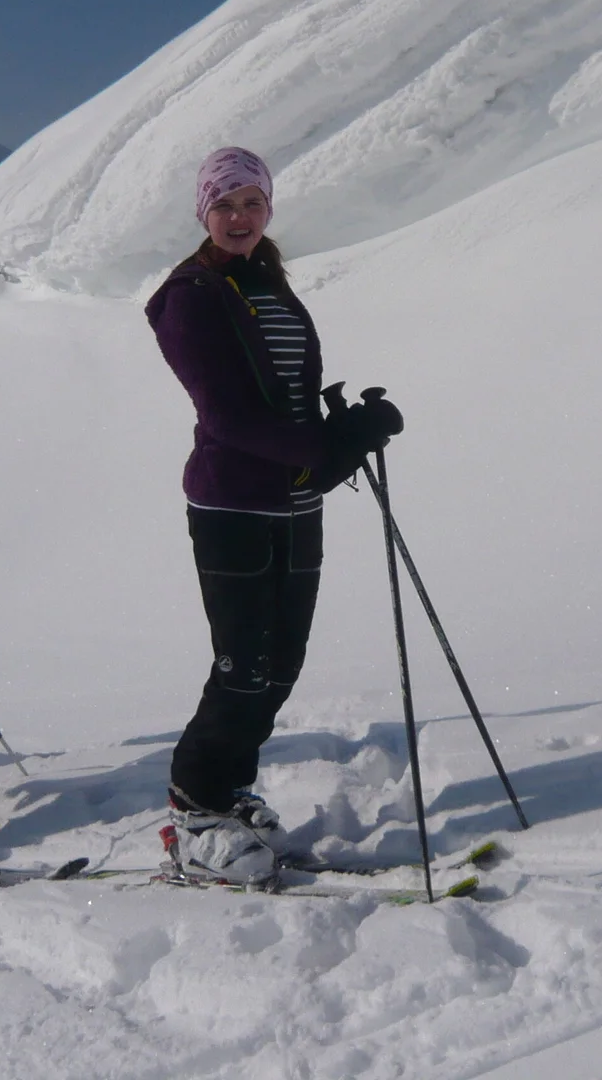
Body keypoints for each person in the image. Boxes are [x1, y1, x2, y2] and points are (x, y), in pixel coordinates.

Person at [145, 146, 402, 882]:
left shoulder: (269, 284)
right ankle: (195, 812)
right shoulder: (191, 295)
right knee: (244, 667)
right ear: (204, 212)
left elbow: (284, 393)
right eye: (224, 204)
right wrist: (326, 449)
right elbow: (226, 414)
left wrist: (345, 429)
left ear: (268, 210)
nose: (238, 217)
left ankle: (228, 792)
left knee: (280, 664)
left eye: (251, 203)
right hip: (232, 501)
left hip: (292, 501)